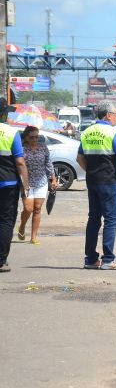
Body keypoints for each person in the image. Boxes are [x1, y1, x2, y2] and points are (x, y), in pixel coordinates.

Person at [77, 101, 116, 270]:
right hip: (109, 182)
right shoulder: (113, 133)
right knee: (111, 220)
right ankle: (108, 260)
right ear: (108, 115)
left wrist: (91, 171)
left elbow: (79, 158)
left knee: (93, 220)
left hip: (92, 181)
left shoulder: (86, 132)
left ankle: (91, 259)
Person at [0, 98, 29, 272]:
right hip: (7, 184)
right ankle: (1, 260)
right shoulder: (11, 133)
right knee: (5, 221)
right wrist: (26, 186)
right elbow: (20, 162)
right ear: (3, 113)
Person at [17, 126, 58, 245]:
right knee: (28, 208)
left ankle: (33, 237)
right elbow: (18, 165)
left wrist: (53, 179)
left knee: (37, 209)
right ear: (26, 138)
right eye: (32, 137)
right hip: (26, 183)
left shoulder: (43, 147)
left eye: (37, 137)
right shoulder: (21, 149)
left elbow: (48, 164)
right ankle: (22, 226)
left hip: (41, 182)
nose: (35, 139)